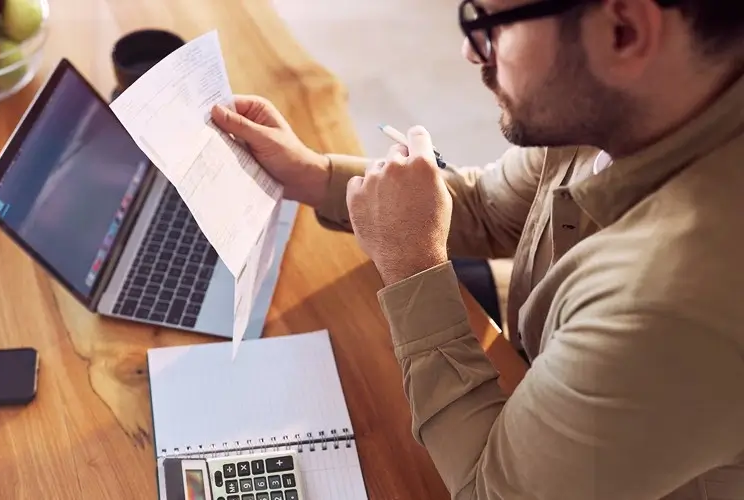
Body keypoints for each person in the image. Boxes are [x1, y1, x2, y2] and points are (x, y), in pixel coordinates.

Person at [210, 0, 744, 497]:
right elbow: (490, 207)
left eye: (491, 23)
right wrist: (313, 175)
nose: (471, 51)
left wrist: (412, 267)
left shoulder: (674, 302)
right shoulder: (629, 110)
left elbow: (489, 489)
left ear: (623, 32)